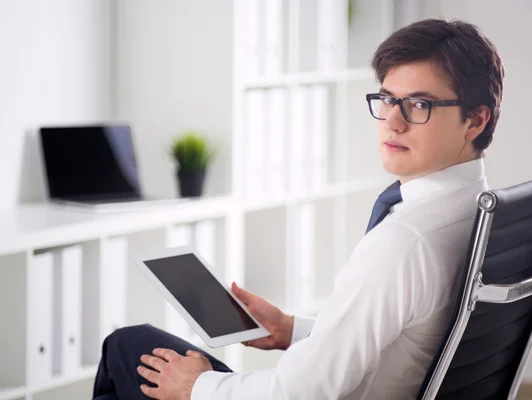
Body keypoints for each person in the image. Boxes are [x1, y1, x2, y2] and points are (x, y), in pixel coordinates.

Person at [92, 17, 505, 400]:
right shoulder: (484, 211)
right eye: (387, 99)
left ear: (475, 121)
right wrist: (292, 329)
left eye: (419, 105)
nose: (392, 122)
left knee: (127, 346)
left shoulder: (405, 241)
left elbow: (300, 392)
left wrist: (197, 386)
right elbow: (404, 337)